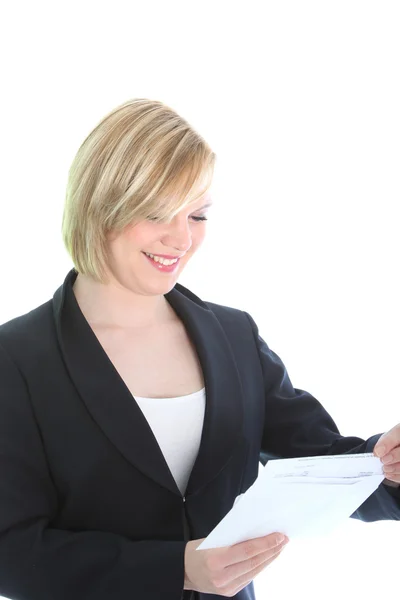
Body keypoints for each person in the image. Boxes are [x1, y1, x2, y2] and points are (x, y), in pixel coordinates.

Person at [0, 98, 399, 600]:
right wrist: (177, 569)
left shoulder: (233, 337)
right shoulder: (16, 360)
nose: (182, 239)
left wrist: (385, 463)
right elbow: (12, 554)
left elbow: (321, 459)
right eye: (157, 213)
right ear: (100, 206)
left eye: (199, 214)